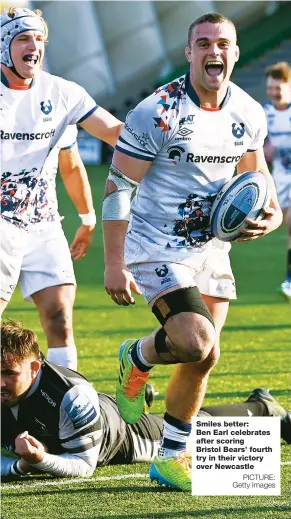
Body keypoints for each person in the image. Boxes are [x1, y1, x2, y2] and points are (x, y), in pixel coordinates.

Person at [102, 12, 283, 491]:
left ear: (236, 52)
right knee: (195, 340)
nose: (213, 52)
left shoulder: (247, 111)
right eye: (203, 43)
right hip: (156, 244)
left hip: (213, 248)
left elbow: (255, 177)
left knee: (203, 357)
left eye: (223, 43)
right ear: (189, 53)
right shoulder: (155, 112)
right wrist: (115, 262)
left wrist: (273, 213)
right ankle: (136, 356)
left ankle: (170, 457)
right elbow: (119, 186)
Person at [1, 320, 290, 479]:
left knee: (194, 436)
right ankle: (144, 399)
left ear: (34, 367)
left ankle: (263, 409)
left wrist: (37, 460)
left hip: (121, 437)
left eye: (8, 373)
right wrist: (21, 466)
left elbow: (83, 467)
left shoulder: (70, 395)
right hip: (86, 419)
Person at [0, 6, 123, 369]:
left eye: (40, 38)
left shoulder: (62, 93)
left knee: (60, 319)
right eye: (23, 38)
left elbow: (113, 134)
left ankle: (65, 407)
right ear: (4, 45)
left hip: (43, 224)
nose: (34, 46)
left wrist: (171, 143)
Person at [5, 123, 95, 370]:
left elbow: (72, 165)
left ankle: (64, 400)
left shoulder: (57, 102)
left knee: (60, 320)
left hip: (44, 228)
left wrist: (87, 219)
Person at [263, 62, 291, 300]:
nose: (273, 92)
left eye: (278, 88)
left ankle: (290, 279)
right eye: (270, 88)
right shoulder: (265, 114)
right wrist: (266, 150)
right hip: (279, 178)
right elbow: (258, 150)